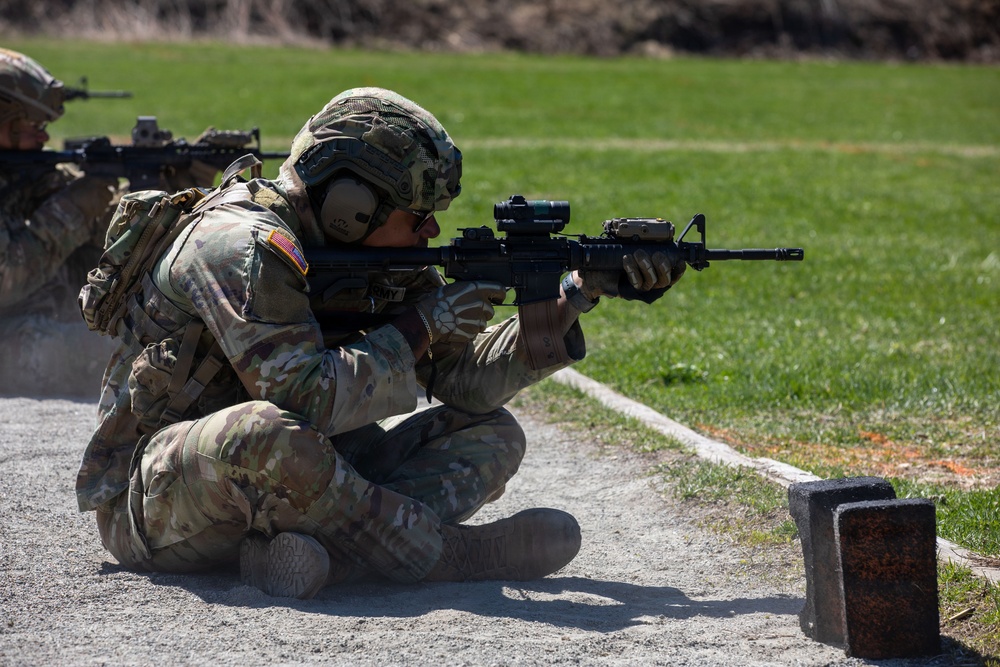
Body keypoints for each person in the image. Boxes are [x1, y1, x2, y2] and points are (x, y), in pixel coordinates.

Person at [77, 87, 685, 599]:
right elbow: (300, 398)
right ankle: (448, 553)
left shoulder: (371, 254)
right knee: (264, 431)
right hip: (162, 502)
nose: (431, 231)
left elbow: (463, 382)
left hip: (307, 486)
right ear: (351, 203)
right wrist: (423, 324)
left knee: (492, 432)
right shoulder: (238, 245)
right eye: (417, 213)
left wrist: (577, 293)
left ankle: (325, 560)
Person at [0, 48, 121, 397]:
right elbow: (7, 278)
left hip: (37, 318)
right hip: (11, 343)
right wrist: (75, 207)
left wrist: (160, 189)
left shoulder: (24, 171)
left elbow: (97, 232)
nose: (43, 138)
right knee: (128, 356)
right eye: (33, 127)